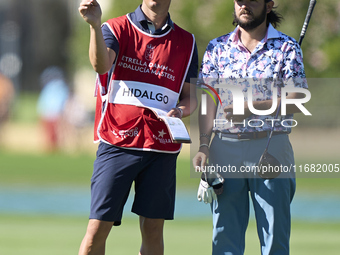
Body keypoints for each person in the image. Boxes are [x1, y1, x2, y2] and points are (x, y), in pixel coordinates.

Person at [78, 0, 198, 254]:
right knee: (97, 230)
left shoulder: (187, 41)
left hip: (162, 148)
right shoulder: (116, 27)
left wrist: (181, 111)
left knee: (153, 230)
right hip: (117, 142)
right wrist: (94, 26)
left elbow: (190, 98)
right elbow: (101, 65)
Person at [193, 0, 308, 254]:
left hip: (271, 145)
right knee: (224, 239)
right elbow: (207, 99)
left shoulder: (287, 47)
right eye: (239, 1)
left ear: (269, 5)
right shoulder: (217, 47)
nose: (244, 5)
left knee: (274, 239)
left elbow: (298, 100)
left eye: (252, 0)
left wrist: (251, 107)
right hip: (224, 147)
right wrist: (203, 144)